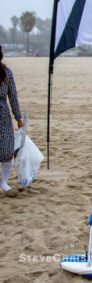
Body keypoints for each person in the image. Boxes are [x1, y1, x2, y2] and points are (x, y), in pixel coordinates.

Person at [0, 44, 23, 194]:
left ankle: (4, 183)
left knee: (7, 152)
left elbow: (13, 96)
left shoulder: (6, 73)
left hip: (3, 116)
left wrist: (18, 117)